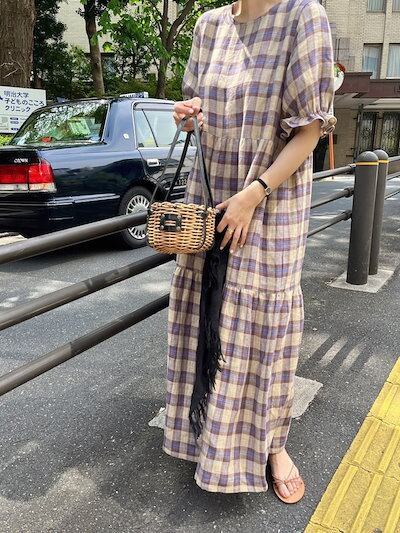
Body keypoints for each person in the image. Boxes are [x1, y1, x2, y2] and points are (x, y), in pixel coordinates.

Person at [162, 0, 337, 501]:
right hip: (210, 196)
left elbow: (309, 132)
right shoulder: (209, 25)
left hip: (269, 203)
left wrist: (252, 195)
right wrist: (188, 116)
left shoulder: (304, 16)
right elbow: (196, 113)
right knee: (208, 315)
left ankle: (273, 445)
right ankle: (209, 438)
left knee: (263, 330)